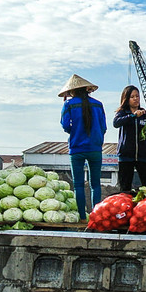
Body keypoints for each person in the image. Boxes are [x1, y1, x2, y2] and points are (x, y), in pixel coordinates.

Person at [60, 74, 107, 219]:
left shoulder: (69, 104)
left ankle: (82, 217)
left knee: (78, 185)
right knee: (95, 185)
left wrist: (74, 131)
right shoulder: (98, 104)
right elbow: (103, 127)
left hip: (77, 148)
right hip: (95, 148)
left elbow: (65, 125)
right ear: (87, 89)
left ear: (72, 91)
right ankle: (95, 216)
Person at [113, 85, 146, 193]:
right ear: (126, 99)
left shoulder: (145, 115)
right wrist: (133, 116)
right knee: (125, 188)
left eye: (137, 96)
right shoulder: (122, 113)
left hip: (143, 155)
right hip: (126, 155)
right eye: (132, 97)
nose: (135, 99)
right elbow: (116, 123)